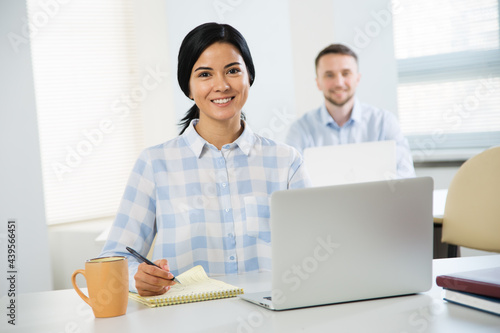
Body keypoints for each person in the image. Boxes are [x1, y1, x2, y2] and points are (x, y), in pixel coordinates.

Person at [99, 23, 309, 296]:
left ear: (249, 78)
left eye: (233, 71)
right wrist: (136, 279)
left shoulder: (286, 161)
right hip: (185, 319)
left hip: (268, 317)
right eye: (205, 74)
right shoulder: (155, 164)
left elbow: (314, 249)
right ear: (188, 87)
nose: (221, 85)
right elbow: (113, 259)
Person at [285, 44, 415, 178]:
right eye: (329, 75)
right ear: (318, 82)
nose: (339, 83)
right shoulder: (300, 130)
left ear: (357, 78)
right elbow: (290, 181)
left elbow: (406, 176)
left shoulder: (384, 122)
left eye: (346, 73)